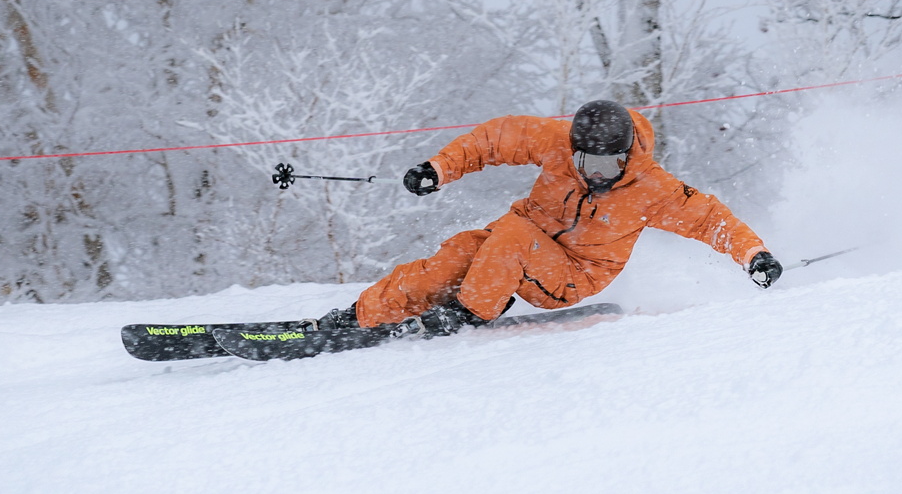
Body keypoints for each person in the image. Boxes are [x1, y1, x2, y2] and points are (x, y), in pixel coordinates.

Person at [321, 100, 782, 339]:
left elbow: (710, 220)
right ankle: (360, 316)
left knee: (512, 237)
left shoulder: (652, 188)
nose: (595, 176)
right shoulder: (557, 141)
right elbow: (494, 139)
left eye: (608, 167)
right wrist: (439, 168)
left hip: (572, 275)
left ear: (627, 156)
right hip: (517, 244)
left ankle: (470, 311)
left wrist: (754, 254)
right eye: (586, 164)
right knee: (456, 254)